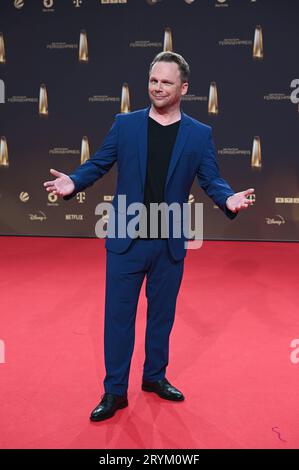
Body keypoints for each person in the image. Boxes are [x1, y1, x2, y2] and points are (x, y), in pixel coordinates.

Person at [43, 52, 254, 422]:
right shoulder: (124, 125)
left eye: (166, 82)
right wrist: (73, 181)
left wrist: (228, 198)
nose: (157, 87)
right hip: (126, 238)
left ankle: (154, 376)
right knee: (118, 317)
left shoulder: (199, 134)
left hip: (169, 238)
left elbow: (211, 179)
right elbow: (99, 163)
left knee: (162, 316)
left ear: (183, 88)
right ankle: (114, 391)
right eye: (153, 80)